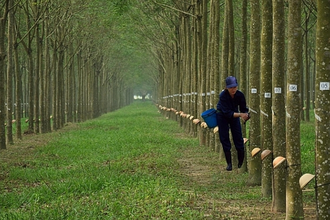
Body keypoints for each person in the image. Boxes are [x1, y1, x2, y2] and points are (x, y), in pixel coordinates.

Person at [216, 76, 249, 171]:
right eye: (231, 87)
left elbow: (243, 109)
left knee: (238, 136)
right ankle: (229, 163)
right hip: (222, 115)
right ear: (226, 87)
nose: (233, 89)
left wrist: (246, 115)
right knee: (224, 137)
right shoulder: (223, 95)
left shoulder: (240, 95)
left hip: (235, 115)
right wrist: (240, 115)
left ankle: (240, 162)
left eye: (234, 87)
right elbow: (227, 112)